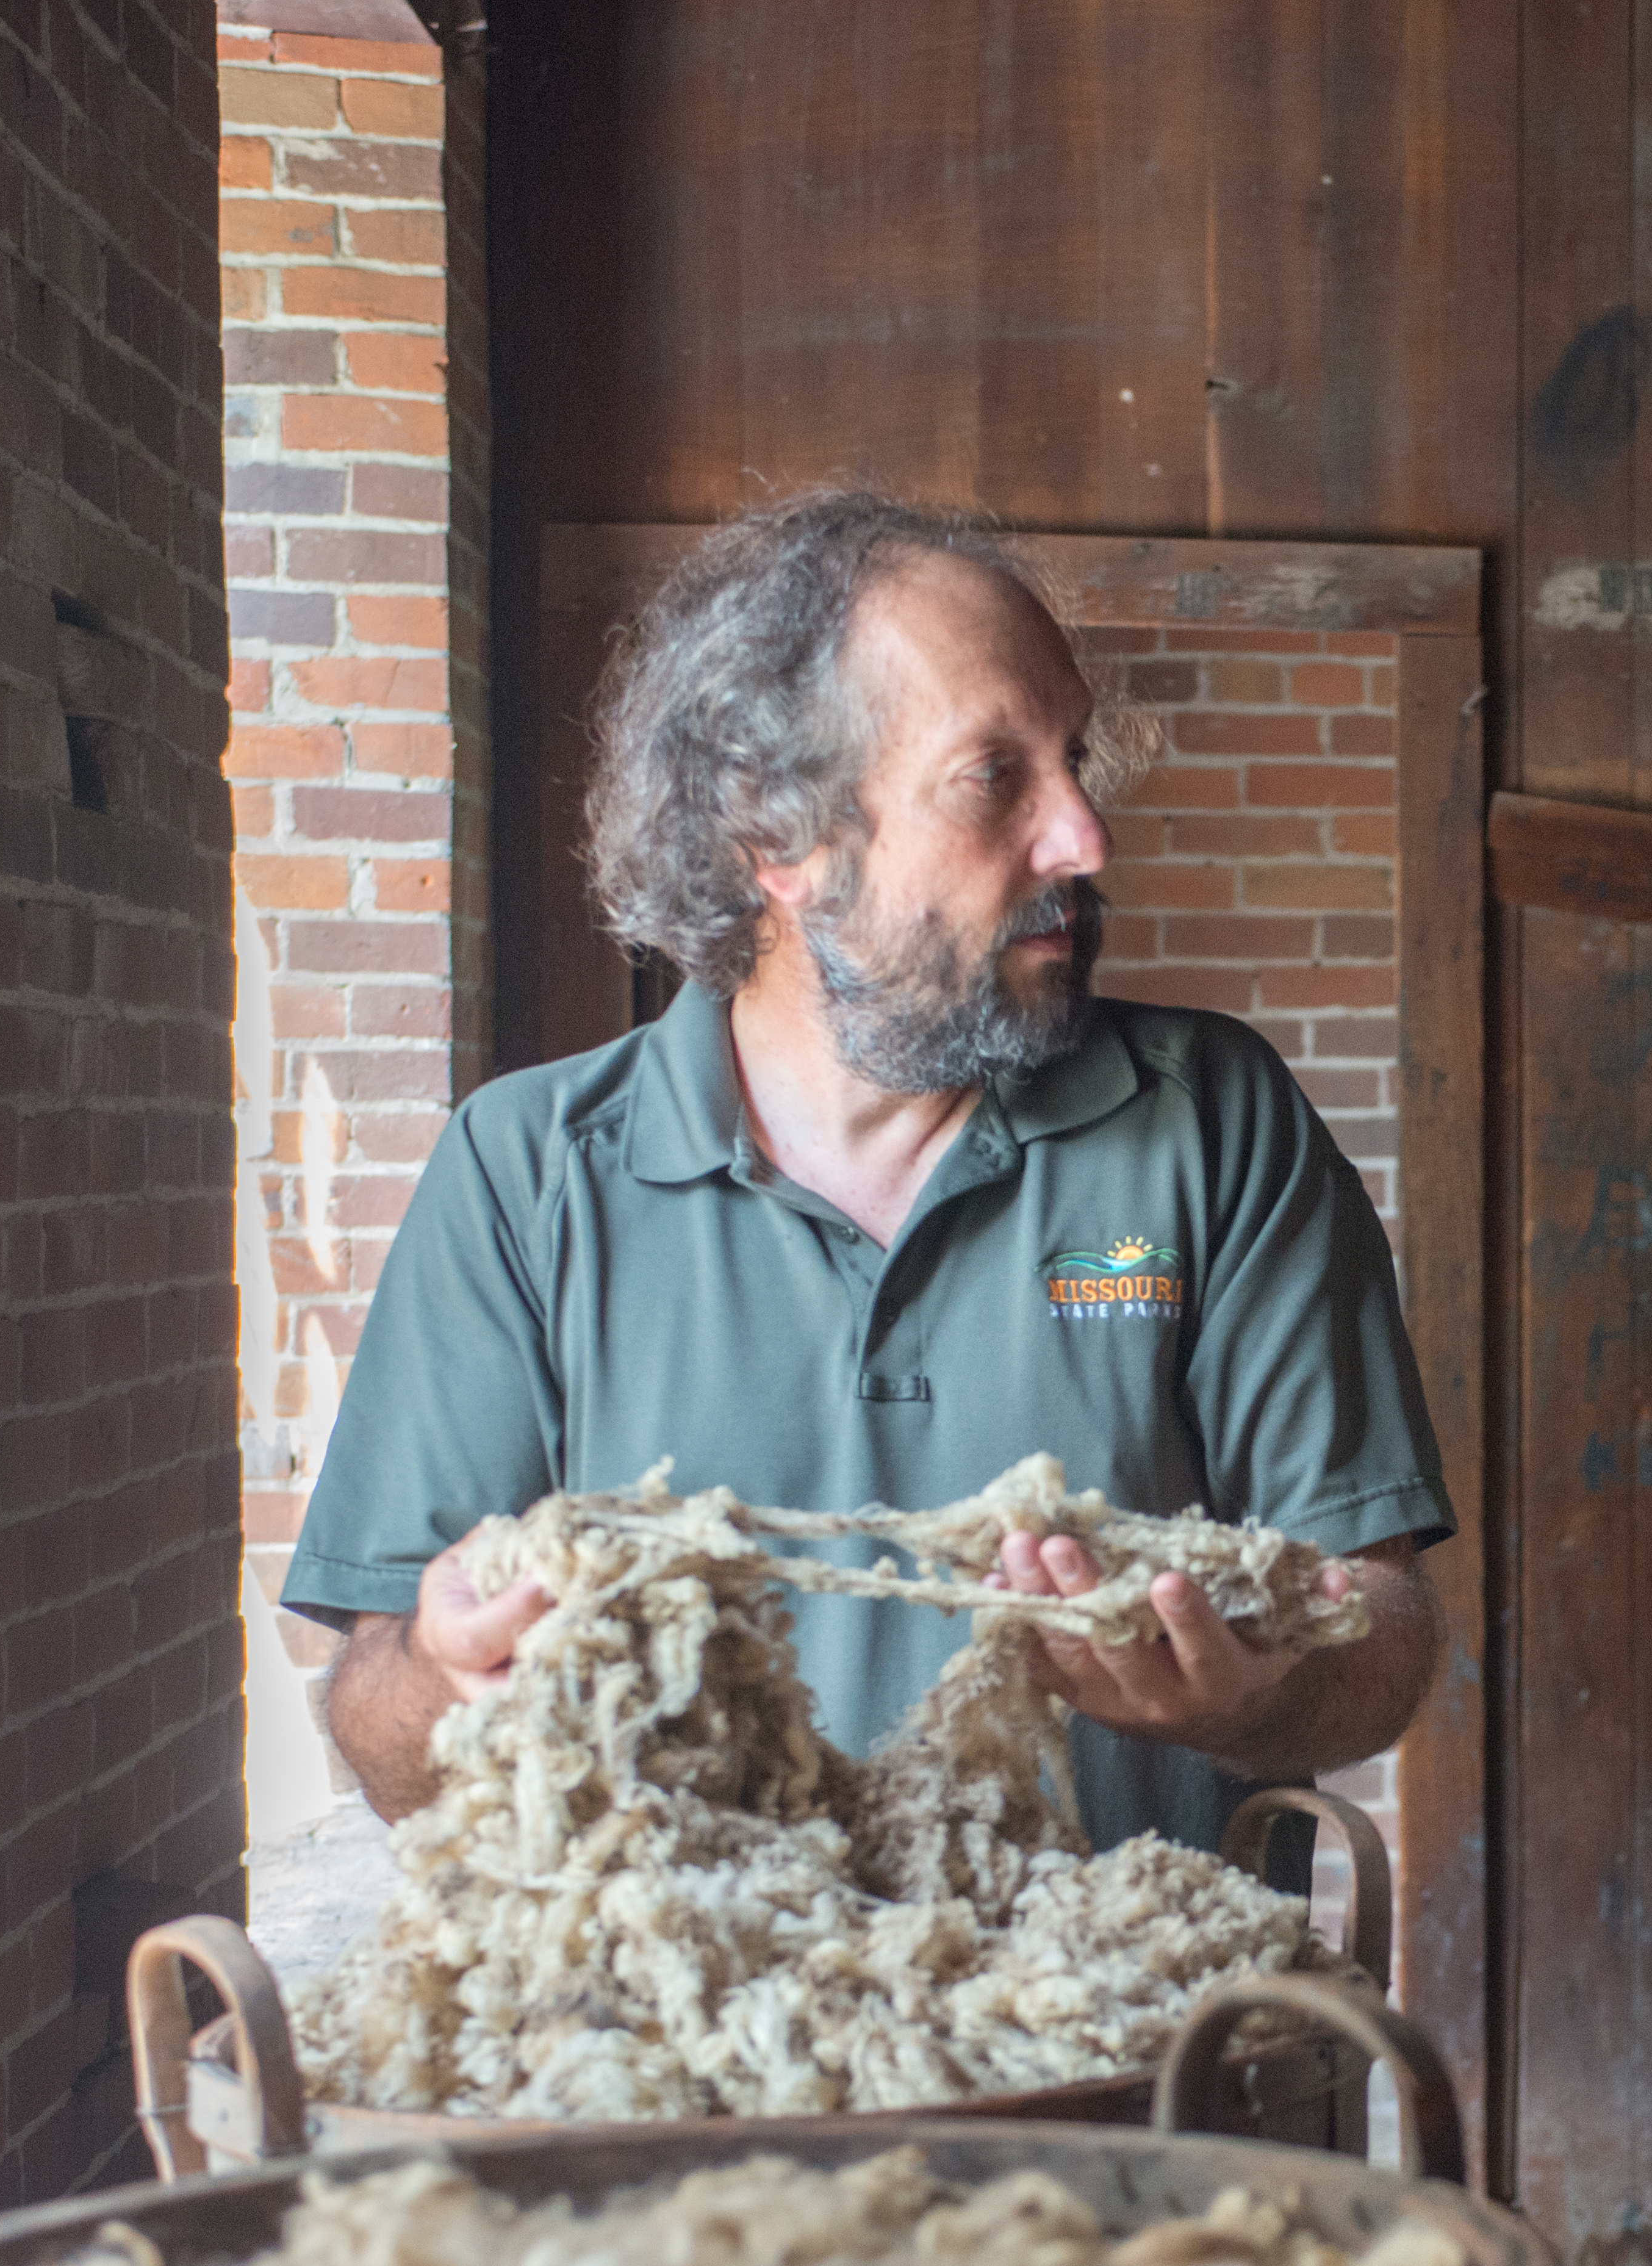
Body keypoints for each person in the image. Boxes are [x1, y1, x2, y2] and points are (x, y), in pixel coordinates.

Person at [285, 491, 1451, 1842]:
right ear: (778, 836)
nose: (1083, 837)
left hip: (1129, 2034)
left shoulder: (1210, 1121)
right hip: (691, 2044)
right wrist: (447, 1673)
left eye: (1072, 759)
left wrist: (1249, 1687)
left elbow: (1382, 1634)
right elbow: (380, 1730)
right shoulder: (524, 1173)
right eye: (994, 776)